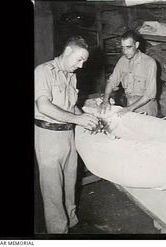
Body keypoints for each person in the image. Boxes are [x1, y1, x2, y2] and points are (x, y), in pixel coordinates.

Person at [34, 36, 99, 233]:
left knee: (70, 183)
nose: (80, 65)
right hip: (48, 135)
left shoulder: (71, 76)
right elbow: (43, 105)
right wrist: (77, 119)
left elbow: (71, 107)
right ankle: (58, 231)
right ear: (68, 50)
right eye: (79, 59)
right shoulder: (43, 71)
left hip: (68, 135)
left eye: (83, 62)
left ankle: (72, 221)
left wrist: (87, 119)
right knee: (53, 189)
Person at [99, 30, 158, 117]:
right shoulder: (122, 60)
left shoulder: (149, 63)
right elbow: (112, 81)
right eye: (123, 48)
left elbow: (149, 95)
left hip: (146, 107)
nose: (125, 51)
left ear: (136, 45)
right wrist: (105, 100)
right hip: (129, 104)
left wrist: (130, 108)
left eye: (129, 47)